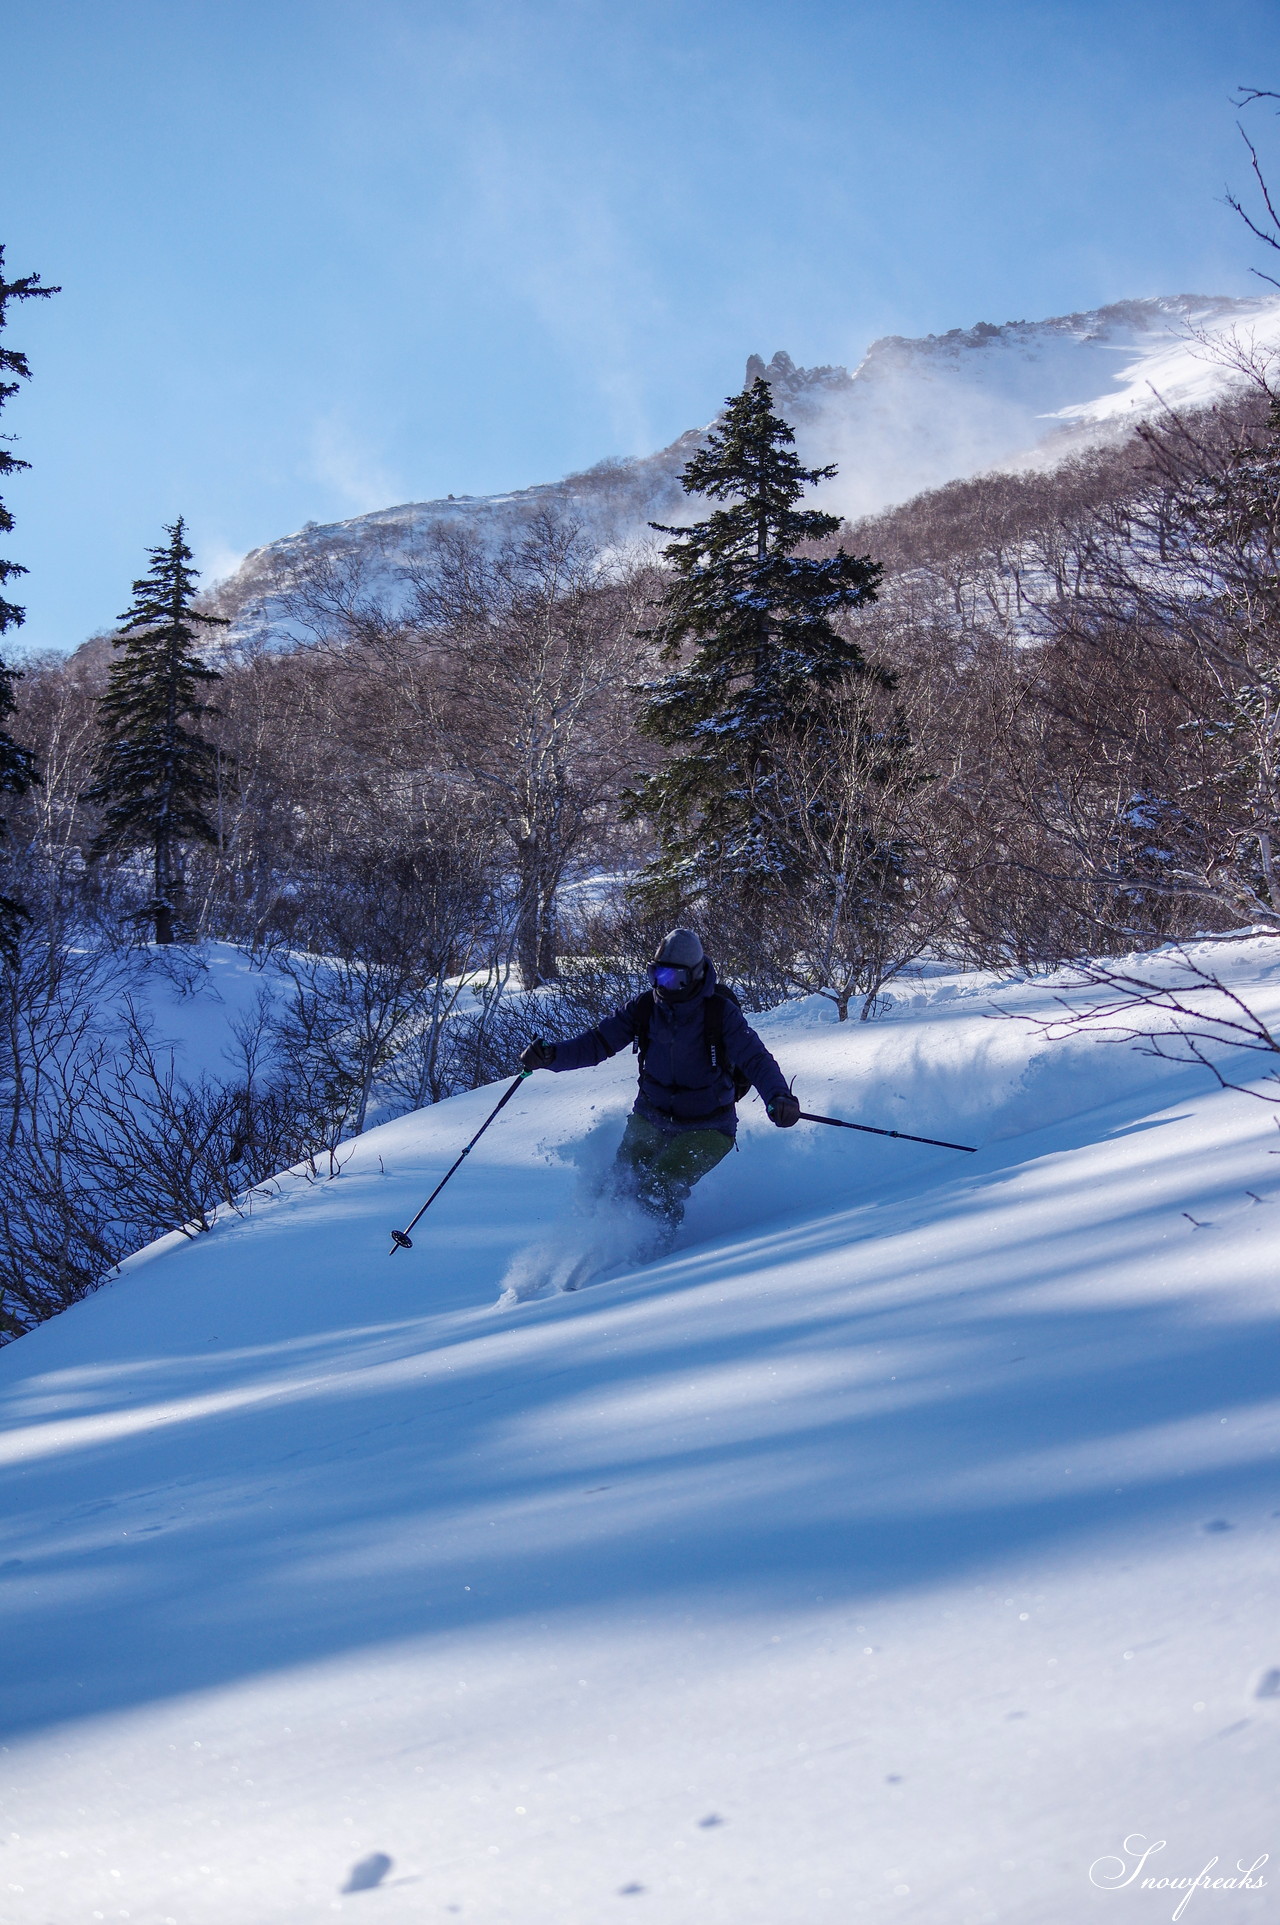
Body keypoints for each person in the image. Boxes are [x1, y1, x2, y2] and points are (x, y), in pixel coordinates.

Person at [519, 928, 800, 1235]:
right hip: (651, 1115)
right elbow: (598, 1043)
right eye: (656, 975)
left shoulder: (720, 1014)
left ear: (694, 975)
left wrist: (779, 1097)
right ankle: (593, 1247)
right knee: (618, 1185)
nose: (663, 986)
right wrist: (552, 1056)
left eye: (673, 978)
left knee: (659, 1187)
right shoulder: (643, 1008)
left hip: (707, 1126)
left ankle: (653, 1259)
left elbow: (755, 1059)